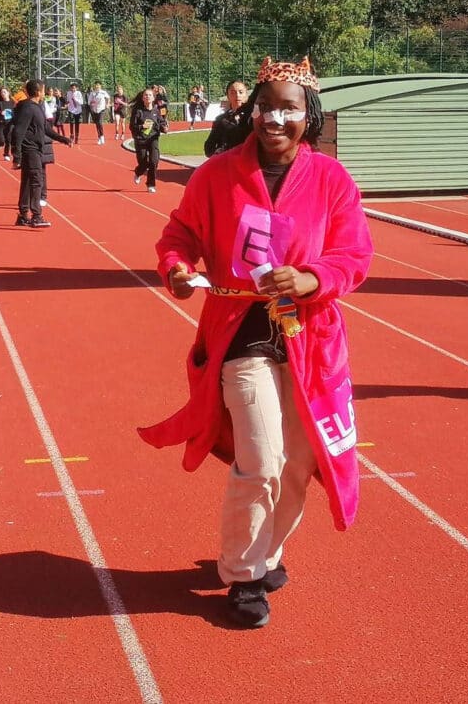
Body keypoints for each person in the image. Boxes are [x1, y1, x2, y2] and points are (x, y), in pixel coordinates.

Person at [138, 56, 373, 628]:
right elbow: (179, 234)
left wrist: (313, 278)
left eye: (288, 108)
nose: (274, 118)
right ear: (251, 111)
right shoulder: (216, 175)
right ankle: (244, 576)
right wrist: (176, 267)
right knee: (262, 458)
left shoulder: (332, 180)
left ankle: (265, 552)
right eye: (265, 106)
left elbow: (354, 255)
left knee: (299, 462)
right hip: (239, 335)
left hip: (310, 340)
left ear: (309, 115)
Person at [11, 79, 70, 228]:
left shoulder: (37, 107)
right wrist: (16, 155)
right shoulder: (28, 108)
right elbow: (18, 131)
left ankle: (23, 215)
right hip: (30, 149)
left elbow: (46, 129)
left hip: (36, 149)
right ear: (38, 92)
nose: (45, 93)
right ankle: (36, 215)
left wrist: (63, 139)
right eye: (43, 90)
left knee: (27, 181)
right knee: (37, 181)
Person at [129, 87, 168, 193]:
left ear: (153, 98)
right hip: (140, 140)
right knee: (143, 163)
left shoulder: (156, 110)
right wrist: (142, 126)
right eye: (145, 95)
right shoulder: (138, 111)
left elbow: (161, 122)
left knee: (154, 162)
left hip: (153, 139)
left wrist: (164, 128)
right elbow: (132, 126)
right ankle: (138, 172)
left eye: (150, 95)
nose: (147, 97)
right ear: (142, 98)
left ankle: (151, 184)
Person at [204, 79, 249, 157]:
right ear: (228, 96)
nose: (237, 95)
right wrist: (217, 152)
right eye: (233, 93)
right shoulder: (221, 120)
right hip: (228, 161)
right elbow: (209, 148)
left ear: (246, 95)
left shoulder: (254, 118)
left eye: (241, 92)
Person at [0, 86, 16, 161]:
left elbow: (16, 111)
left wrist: (13, 114)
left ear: (8, 93)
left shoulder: (13, 102)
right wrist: (0, 113)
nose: (3, 94)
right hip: (1, 123)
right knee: (1, 141)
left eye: (4, 92)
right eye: (1, 92)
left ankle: (6, 154)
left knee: (8, 139)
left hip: (10, 123)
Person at [86, 80, 110, 144]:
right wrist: (92, 103)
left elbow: (108, 98)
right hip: (94, 110)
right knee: (97, 124)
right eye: (96, 85)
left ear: (100, 86)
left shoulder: (103, 92)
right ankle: (99, 137)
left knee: (100, 122)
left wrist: (107, 104)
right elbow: (89, 102)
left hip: (101, 109)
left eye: (98, 85)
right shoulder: (92, 93)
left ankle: (102, 136)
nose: (97, 86)